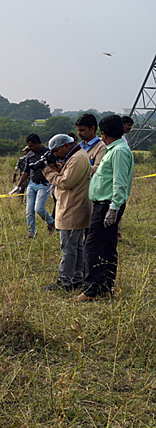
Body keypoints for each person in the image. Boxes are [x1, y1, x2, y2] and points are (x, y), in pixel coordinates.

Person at [77, 115, 134, 301]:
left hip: (107, 204)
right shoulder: (115, 149)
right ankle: (105, 286)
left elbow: (119, 181)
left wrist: (113, 208)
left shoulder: (118, 151)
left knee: (92, 245)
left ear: (104, 133)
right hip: (106, 204)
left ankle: (91, 290)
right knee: (108, 246)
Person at [41, 135, 92, 292]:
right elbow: (67, 176)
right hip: (76, 206)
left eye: (57, 151)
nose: (56, 154)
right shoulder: (78, 155)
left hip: (72, 208)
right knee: (76, 246)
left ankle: (65, 282)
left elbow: (65, 182)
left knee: (68, 248)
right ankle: (76, 278)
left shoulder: (77, 158)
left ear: (66, 146)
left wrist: (46, 170)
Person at [10, 133, 55, 238]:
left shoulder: (48, 153)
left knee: (39, 209)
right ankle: (31, 233)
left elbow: (55, 168)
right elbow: (26, 171)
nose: (29, 148)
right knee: (29, 211)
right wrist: (18, 186)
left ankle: (51, 222)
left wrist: (54, 184)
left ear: (38, 143)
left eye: (31, 146)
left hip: (44, 185)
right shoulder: (29, 155)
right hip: (32, 184)